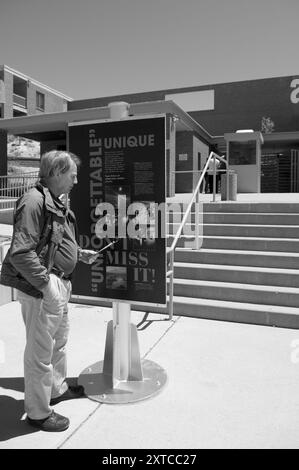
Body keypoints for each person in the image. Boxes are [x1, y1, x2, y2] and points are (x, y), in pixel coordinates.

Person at [0, 150, 99, 432]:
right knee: (40, 353)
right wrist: (47, 285)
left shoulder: (55, 202)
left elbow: (53, 243)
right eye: (73, 174)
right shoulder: (34, 200)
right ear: (56, 171)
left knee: (59, 343)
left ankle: (56, 390)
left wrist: (79, 254)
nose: (76, 180)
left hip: (58, 283)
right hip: (44, 287)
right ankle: (39, 413)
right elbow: (21, 252)